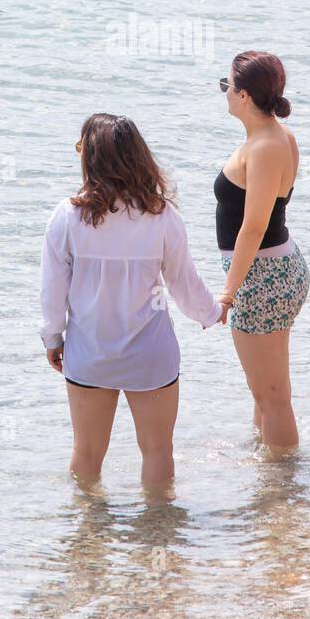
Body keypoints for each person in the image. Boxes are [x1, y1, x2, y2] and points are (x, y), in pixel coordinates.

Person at [40, 112, 224, 492]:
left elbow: (52, 290)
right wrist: (212, 311)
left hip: (90, 352)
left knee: (87, 454)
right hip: (150, 353)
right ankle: (157, 537)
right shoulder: (162, 217)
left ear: (90, 158)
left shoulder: (68, 217)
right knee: (157, 450)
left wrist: (53, 340)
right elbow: (183, 283)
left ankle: (88, 540)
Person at [215, 52, 310, 455]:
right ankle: (265, 468)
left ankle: (283, 492)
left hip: (263, 278)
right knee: (266, 391)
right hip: (273, 272)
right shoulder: (272, 138)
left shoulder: (267, 146)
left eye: (226, 86)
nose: (223, 93)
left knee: (273, 397)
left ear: (242, 95)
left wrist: (228, 293)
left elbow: (254, 226)